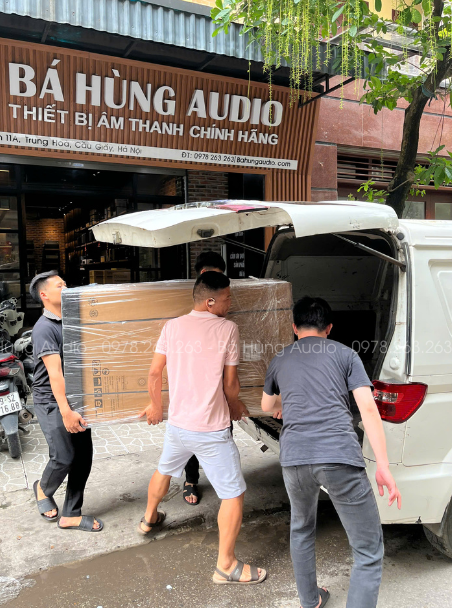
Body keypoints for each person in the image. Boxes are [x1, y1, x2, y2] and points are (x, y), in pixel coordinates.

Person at [262, 297, 401, 608]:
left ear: (294, 327)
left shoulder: (280, 359)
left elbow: (267, 406)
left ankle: (310, 600)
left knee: (301, 529)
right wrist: (383, 465)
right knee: (367, 551)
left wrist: (289, 403)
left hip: (294, 459)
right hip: (338, 456)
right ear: (329, 328)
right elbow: (368, 409)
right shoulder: (346, 354)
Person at [138, 271, 267, 586]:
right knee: (234, 494)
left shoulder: (172, 326)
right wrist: (235, 405)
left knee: (165, 469)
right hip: (211, 430)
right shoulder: (227, 329)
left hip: (178, 424)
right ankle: (226, 566)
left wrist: (156, 406)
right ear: (210, 302)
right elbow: (230, 382)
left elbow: (154, 372)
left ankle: (149, 519)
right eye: (227, 298)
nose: (230, 303)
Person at [30, 271, 103, 533]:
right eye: (60, 285)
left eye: (66, 283)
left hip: (78, 396)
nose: (66, 288)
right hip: (51, 400)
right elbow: (55, 374)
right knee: (63, 457)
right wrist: (66, 412)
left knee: (83, 457)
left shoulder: (73, 320)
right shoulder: (44, 328)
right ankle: (43, 488)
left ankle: (71, 514)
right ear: (44, 295)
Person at [183, 250, 227, 506]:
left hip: (217, 379)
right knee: (190, 434)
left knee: (222, 433)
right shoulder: (193, 299)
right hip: (192, 381)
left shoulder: (224, 297)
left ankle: (224, 480)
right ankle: (191, 480)